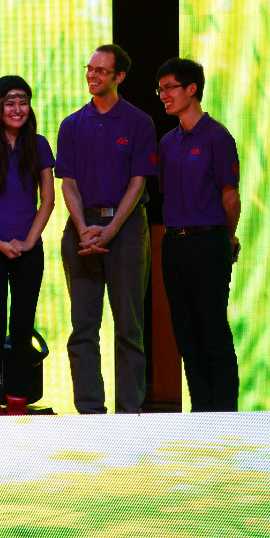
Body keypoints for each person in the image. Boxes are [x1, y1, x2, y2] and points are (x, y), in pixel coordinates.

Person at [55, 43, 158, 415]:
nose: (92, 75)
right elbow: (68, 182)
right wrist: (83, 228)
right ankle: (90, 412)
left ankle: (129, 414)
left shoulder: (138, 121)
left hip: (126, 229)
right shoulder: (72, 124)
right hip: (82, 229)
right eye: (89, 68)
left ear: (119, 77)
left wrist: (112, 228)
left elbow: (138, 181)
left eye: (100, 70)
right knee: (83, 327)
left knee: (129, 326)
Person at [155, 57, 241, 412]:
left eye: (169, 88)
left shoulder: (217, 136)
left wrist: (226, 238)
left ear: (192, 89)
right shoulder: (167, 142)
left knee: (212, 333)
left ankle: (225, 416)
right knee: (187, 337)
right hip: (173, 244)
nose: (163, 95)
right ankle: (201, 413)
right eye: (160, 90)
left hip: (208, 241)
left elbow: (230, 197)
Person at [0, 76, 55, 416]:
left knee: (21, 327)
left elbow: (48, 199)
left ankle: (18, 400)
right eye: (10, 102)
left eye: (23, 102)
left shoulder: (40, 145)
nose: (18, 109)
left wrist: (30, 240)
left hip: (28, 250)